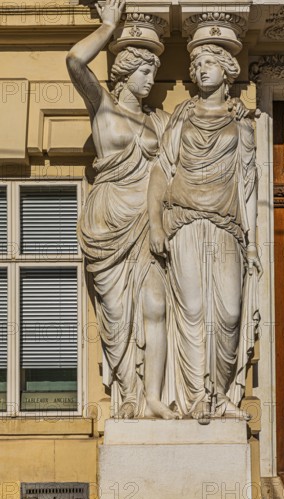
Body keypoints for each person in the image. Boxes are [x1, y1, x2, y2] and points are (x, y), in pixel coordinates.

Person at [66, 0, 178, 419]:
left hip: (147, 219)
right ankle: (128, 398)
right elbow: (75, 61)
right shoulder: (103, 108)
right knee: (116, 317)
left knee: (155, 305)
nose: (151, 79)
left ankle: (153, 397)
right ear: (124, 73)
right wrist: (109, 25)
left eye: (153, 71)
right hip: (108, 218)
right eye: (143, 71)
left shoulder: (162, 122)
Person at [148, 43, 262, 419]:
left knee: (228, 312)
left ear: (227, 70)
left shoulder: (241, 123)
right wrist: (154, 225)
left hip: (227, 225)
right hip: (184, 221)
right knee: (193, 309)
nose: (200, 70)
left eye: (209, 63)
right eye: (196, 64)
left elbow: (248, 186)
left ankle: (222, 393)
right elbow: (162, 171)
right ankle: (198, 396)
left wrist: (253, 245)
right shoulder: (181, 115)